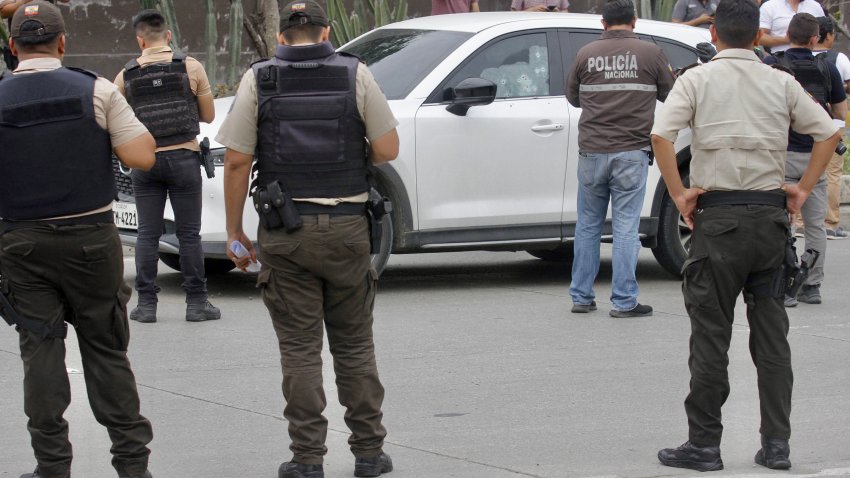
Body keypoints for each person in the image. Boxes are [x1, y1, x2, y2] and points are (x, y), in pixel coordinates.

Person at [651, 0, 839, 471]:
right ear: (759, 37)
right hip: (770, 223)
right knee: (772, 341)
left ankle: (705, 446)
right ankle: (776, 445)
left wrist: (679, 195)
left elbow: (661, 135)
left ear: (714, 34)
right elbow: (829, 132)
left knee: (711, 336)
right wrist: (802, 189)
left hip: (717, 223)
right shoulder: (780, 81)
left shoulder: (695, 79)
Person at [216, 1, 399, 477]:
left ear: (282, 37)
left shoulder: (260, 78)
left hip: (285, 233)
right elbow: (386, 148)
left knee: (299, 351)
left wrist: (235, 232)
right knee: (355, 346)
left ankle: (307, 460)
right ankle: (368, 454)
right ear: (327, 31)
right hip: (348, 230)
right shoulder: (355, 74)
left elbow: (237, 161)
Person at [0, 2, 157, 478]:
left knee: (40, 350)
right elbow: (142, 156)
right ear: (63, 42)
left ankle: (52, 466)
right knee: (106, 349)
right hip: (91, 240)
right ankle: (132, 465)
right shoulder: (96, 89)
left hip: (20, 244)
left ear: (12, 47)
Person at [565, 0, 674, 318]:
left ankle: (581, 297)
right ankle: (624, 301)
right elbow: (672, 93)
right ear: (634, 21)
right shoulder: (651, 54)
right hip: (631, 152)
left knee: (587, 225)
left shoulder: (585, 53)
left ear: (603, 23)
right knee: (626, 227)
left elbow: (573, 97)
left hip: (592, 152)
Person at [113, 9, 220, 324]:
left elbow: (116, 122)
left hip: (146, 162)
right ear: (168, 36)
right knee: (189, 234)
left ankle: (146, 306)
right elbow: (209, 115)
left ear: (140, 39)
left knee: (147, 233)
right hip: (185, 159)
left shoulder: (126, 75)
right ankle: (197, 304)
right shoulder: (191, 66)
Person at [764, 12, 847, 307]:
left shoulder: (771, 66)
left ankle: (783, 284)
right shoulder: (828, 69)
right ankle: (811, 285)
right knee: (814, 225)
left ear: (788, 34)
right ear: (816, 39)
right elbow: (840, 114)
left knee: (780, 224)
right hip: (815, 157)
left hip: (780, 155)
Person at [813, 15, 849, 239]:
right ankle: (829, 222)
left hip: (801, 124)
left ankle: (798, 222)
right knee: (831, 172)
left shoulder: (792, 58)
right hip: (832, 124)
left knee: (802, 170)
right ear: (828, 35)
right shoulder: (839, 59)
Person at [758, 0, 823, 53]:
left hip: (813, 60)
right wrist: (786, 40)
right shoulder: (769, 6)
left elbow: (825, 35)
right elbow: (759, 36)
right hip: (780, 60)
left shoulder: (815, 6)